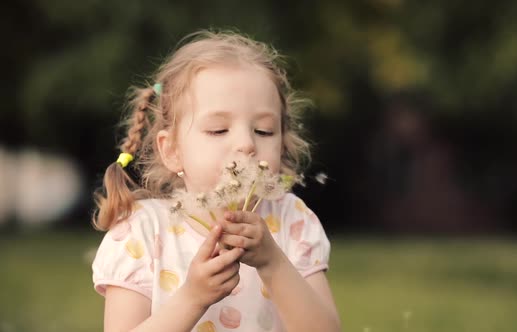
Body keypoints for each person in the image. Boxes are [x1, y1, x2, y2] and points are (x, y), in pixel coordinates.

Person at [91, 30, 340, 332]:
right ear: (171, 151)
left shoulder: (291, 221)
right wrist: (192, 298)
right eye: (219, 130)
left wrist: (273, 263)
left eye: (263, 130)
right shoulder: (142, 232)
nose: (247, 144)